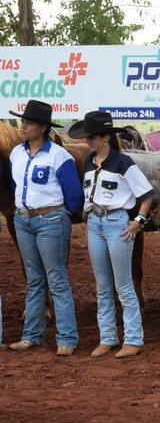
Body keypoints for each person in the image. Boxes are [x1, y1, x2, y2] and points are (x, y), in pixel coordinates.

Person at [68, 111, 155, 359]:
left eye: (92, 137)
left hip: (117, 222)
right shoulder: (89, 161)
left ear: (106, 138)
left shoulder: (123, 162)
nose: (88, 142)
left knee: (123, 284)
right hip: (95, 222)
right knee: (103, 286)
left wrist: (138, 220)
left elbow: (147, 194)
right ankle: (107, 337)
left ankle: (133, 339)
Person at [8, 99, 84, 356]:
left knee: (57, 280)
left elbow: (74, 196)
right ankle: (32, 335)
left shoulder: (60, 155)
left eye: (28, 123)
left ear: (42, 127)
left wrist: (60, 215)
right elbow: (15, 184)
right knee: (34, 280)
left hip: (50, 220)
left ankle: (67, 338)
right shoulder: (16, 153)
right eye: (23, 121)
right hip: (24, 219)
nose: (23, 126)